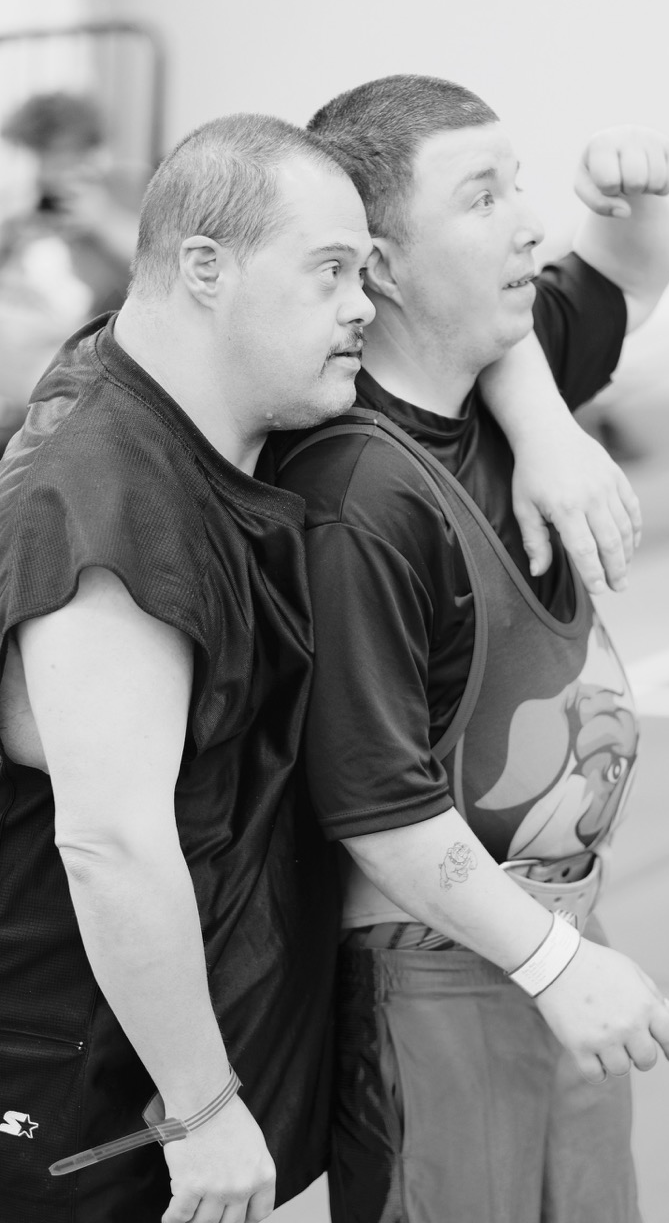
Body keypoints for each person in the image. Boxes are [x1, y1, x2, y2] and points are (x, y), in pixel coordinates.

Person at [270, 75, 669, 1223]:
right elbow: (377, 806)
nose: (528, 224)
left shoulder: (500, 362)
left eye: (520, 185)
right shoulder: (359, 498)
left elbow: (632, 271)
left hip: (557, 934)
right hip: (438, 968)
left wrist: (631, 185)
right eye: (481, 197)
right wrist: (556, 963)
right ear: (382, 266)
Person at [0, 112, 375, 1223]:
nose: (364, 304)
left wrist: (541, 421)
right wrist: (202, 1107)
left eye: (366, 271)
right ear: (205, 268)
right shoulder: (102, 496)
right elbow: (110, 843)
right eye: (331, 271)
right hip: (88, 1091)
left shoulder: (190, 405)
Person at [0, 91, 145, 450]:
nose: (47, 170)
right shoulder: (26, 212)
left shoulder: (125, 194)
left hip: (87, 370)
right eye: (39, 155)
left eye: (58, 154)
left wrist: (102, 219)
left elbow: (163, 261)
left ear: (88, 151)